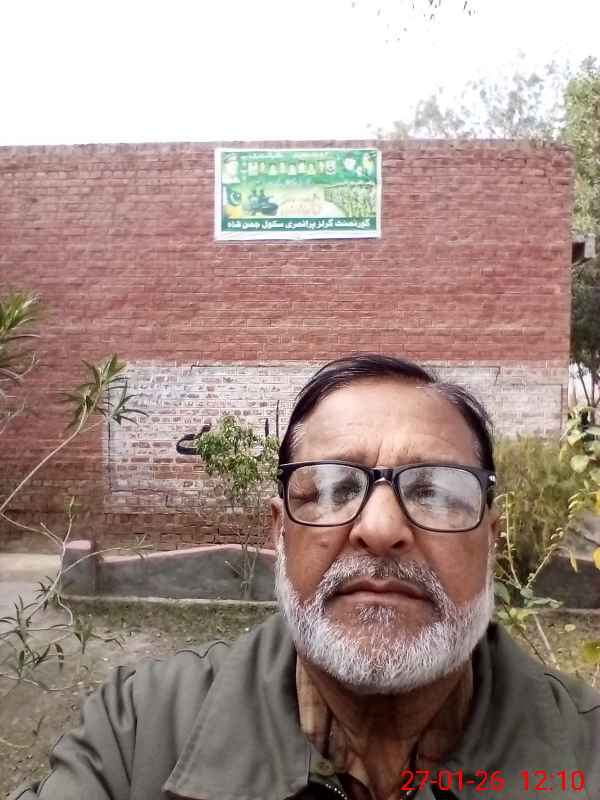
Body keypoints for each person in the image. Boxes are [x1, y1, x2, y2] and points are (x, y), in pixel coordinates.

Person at [12, 354, 600, 800]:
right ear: (280, 532)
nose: (380, 528)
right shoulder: (137, 735)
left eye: (434, 492)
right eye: (334, 488)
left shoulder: (587, 752)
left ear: (491, 539)